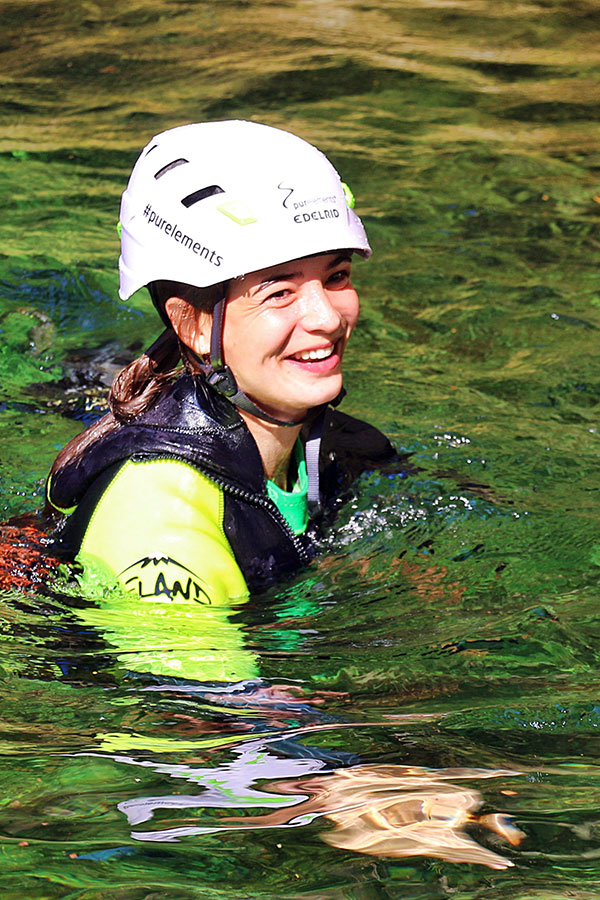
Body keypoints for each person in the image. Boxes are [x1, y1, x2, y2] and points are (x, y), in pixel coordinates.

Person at [46, 120, 403, 605]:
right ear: (192, 324)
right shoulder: (158, 522)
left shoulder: (338, 447)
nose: (327, 317)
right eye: (279, 292)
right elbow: (184, 676)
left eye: (336, 276)